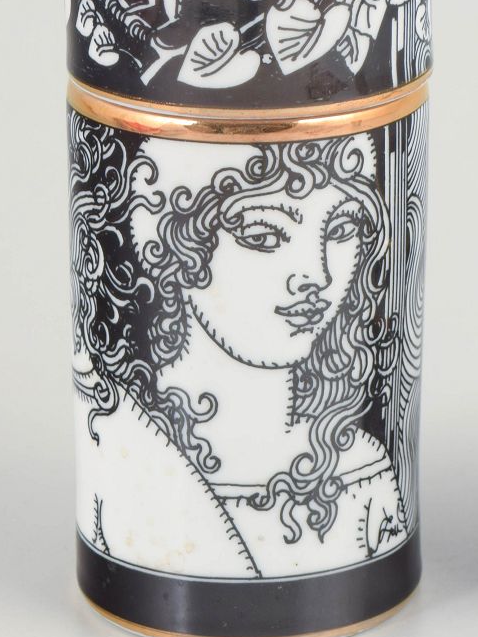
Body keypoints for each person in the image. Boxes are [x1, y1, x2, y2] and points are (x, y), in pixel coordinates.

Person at [70, 114, 407, 580]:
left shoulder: (363, 469)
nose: (317, 276)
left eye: (341, 231)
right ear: (169, 244)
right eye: (263, 236)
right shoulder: (114, 436)